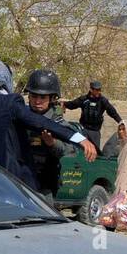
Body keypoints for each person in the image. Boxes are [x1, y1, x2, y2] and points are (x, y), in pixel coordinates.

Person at [22, 68, 72, 200]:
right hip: (20, 181)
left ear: (51, 98)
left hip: (45, 185)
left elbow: (69, 149)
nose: (37, 101)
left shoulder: (57, 122)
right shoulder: (21, 116)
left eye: (42, 97)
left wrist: (53, 143)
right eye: (33, 96)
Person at [63, 79, 122, 150]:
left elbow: (113, 112)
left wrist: (121, 122)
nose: (98, 92)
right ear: (91, 89)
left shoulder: (103, 101)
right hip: (83, 130)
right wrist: (63, 104)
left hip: (95, 132)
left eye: (99, 90)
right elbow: (72, 105)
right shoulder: (84, 99)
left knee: (94, 151)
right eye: (96, 90)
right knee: (81, 150)